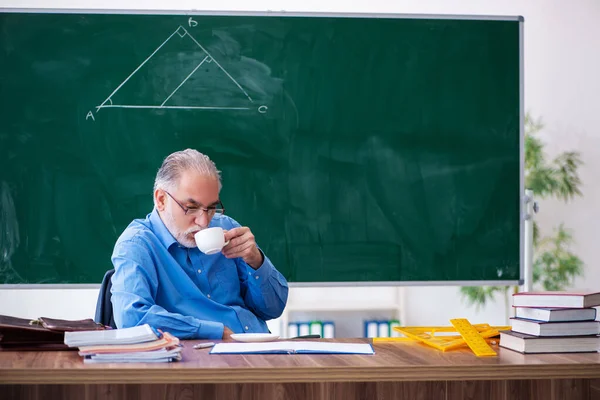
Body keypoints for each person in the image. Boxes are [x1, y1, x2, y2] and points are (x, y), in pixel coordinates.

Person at [110, 149, 289, 339]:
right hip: (200, 359)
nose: (204, 222)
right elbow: (132, 318)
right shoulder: (137, 245)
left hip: (262, 349)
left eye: (211, 208)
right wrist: (214, 332)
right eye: (192, 208)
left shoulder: (227, 228)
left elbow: (273, 309)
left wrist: (256, 261)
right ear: (161, 199)